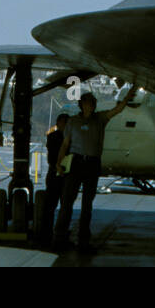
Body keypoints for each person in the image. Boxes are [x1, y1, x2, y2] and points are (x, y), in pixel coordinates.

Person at [53, 85, 138, 252]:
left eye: (92, 103)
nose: (90, 106)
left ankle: (83, 241)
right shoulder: (73, 122)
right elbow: (65, 144)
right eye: (87, 103)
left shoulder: (100, 119)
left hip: (92, 163)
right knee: (67, 203)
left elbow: (117, 110)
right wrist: (59, 162)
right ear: (81, 105)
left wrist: (128, 97)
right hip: (76, 162)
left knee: (87, 204)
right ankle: (60, 238)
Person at [36, 113, 69, 245]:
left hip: (59, 173)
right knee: (53, 206)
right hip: (57, 173)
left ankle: (52, 234)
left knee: (58, 206)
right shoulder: (56, 137)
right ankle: (49, 234)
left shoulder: (54, 136)